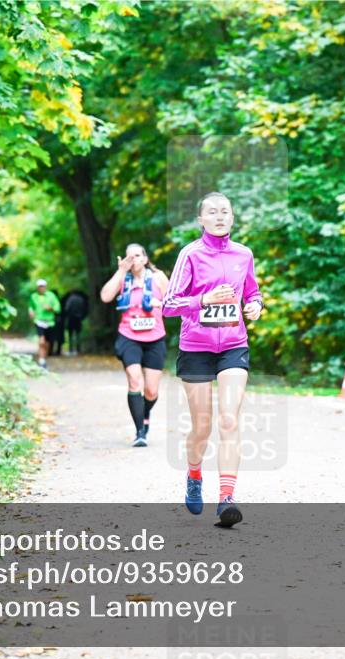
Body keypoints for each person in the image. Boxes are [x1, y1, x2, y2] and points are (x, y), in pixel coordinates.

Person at [162, 192, 263, 528]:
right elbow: (169, 304)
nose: (220, 216)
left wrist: (255, 307)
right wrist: (203, 299)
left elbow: (252, 292)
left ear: (232, 218)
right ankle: (193, 476)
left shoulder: (243, 255)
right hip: (196, 348)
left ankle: (227, 499)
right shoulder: (190, 254)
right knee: (203, 427)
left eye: (225, 212)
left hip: (234, 345)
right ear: (201, 219)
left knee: (230, 421)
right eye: (212, 212)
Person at [100, 244, 170, 447]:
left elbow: (175, 304)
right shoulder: (123, 277)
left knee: (151, 391)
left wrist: (161, 304)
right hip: (128, 336)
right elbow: (105, 296)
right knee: (134, 382)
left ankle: (145, 412)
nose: (134, 260)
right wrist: (121, 270)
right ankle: (140, 431)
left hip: (155, 338)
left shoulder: (158, 278)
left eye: (137, 255)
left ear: (145, 259)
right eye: (129, 257)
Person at [28, 278, 60, 369]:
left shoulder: (51, 296)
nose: (41, 288)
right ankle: (41, 360)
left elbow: (57, 308)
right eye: (39, 286)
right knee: (41, 341)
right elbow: (31, 306)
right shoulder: (33, 296)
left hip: (50, 322)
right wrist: (31, 312)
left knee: (47, 343)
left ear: (45, 287)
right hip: (39, 321)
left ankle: (44, 359)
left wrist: (50, 308)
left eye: (42, 286)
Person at [62, 289, 88, 356]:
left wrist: (66, 315)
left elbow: (66, 308)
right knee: (78, 334)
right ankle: (78, 349)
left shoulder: (70, 299)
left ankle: (71, 349)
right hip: (79, 319)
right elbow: (85, 308)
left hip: (71, 319)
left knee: (70, 335)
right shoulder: (81, 299)